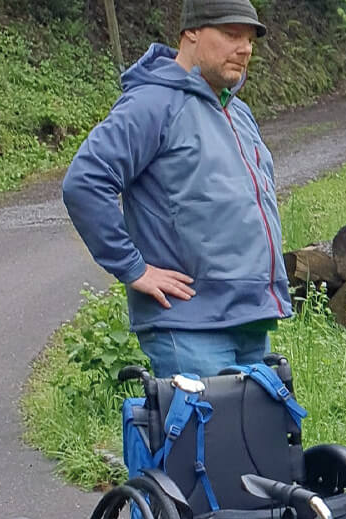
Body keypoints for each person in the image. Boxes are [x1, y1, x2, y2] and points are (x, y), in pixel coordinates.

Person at [62, 0, 291, 379]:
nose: (245, 48)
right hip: (190, 325)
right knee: (205, 439)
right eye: (232, 34)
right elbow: (85, 181)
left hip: (250, 319)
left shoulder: (238, 112)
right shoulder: (153, 103)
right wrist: (133, 268)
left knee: (251, 440)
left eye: (249, 39)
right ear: (192, 34)